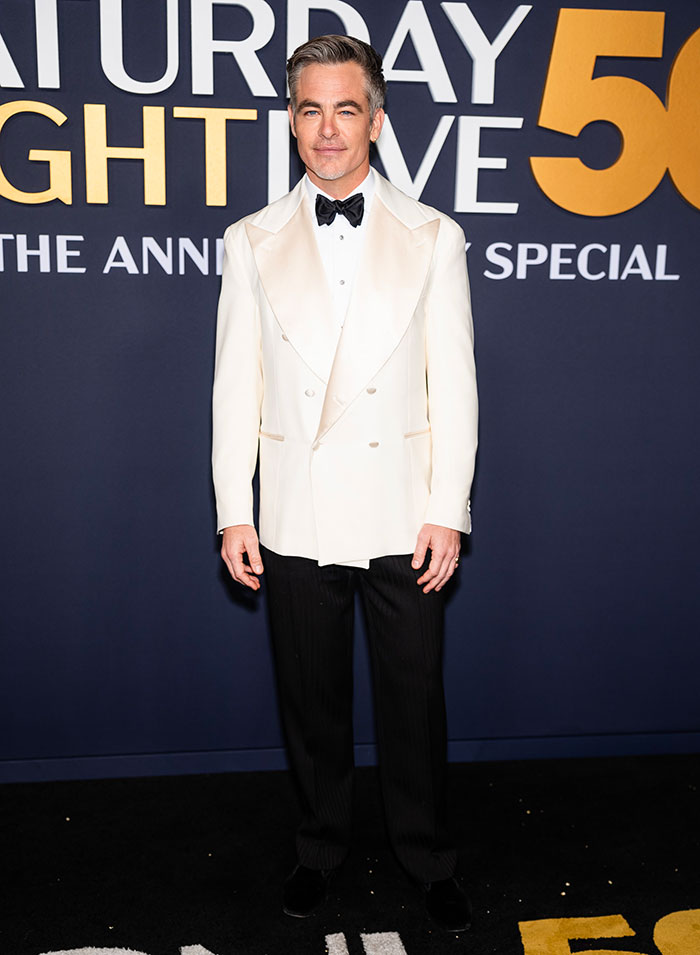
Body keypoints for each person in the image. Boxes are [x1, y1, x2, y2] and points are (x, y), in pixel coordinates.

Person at [212, 34, 478, 932]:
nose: (328, 130)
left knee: (414, 699)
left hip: (404, 510)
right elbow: (235, 386)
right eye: (311, 110)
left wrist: (447, 509)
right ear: (292, 122)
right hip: (295, 510)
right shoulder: (249, 240)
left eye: (346, 109)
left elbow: (456, 385)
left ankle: (428, 856)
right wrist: (234, 510)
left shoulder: (435, 235)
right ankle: (320, 845)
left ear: (377, 119)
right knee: (312, 702)